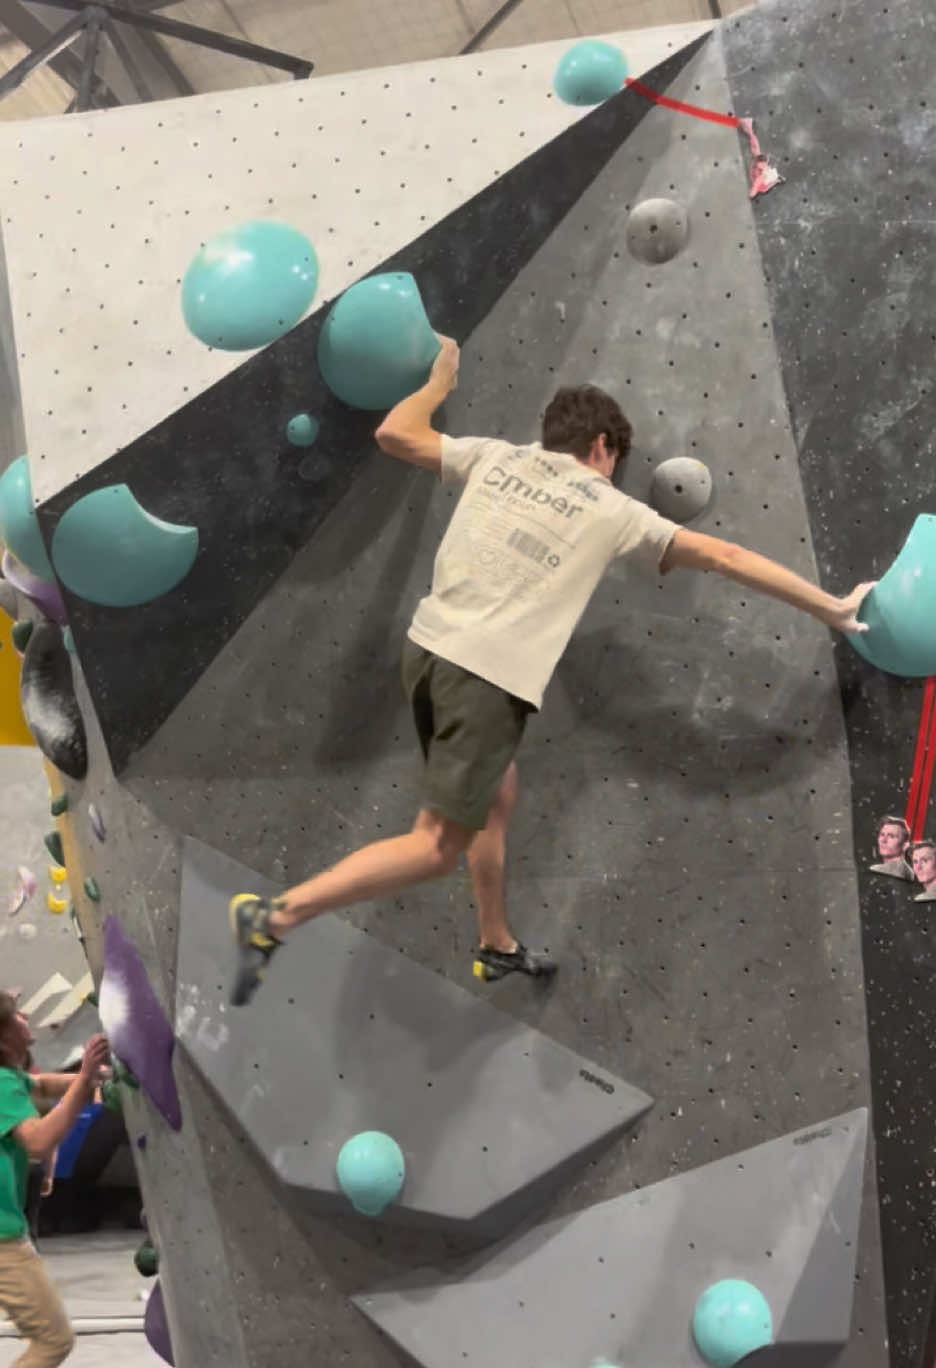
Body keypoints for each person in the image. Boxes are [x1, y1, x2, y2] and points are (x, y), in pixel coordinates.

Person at [228, 337, 874, 1006]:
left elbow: (395, 432)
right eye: (616, 460)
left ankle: (495, 942)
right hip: (482, 679)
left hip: (429, 655)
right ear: (602, 447)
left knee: (495, 794)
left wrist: (440, 383)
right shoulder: (611, 507)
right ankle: (274, 917)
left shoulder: (494, 457)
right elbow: (729, 556)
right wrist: (830, 607)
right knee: (435, 847)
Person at [0, 991, 110, 1367]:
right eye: (16, 1015)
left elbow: (43, 1085)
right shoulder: (1, 1084)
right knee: (53, 1340)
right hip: (1, 1238)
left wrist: (92, 1077)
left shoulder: (9, 1079)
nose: (26, 1016)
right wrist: (83, 1084)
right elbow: (38, 1141)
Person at [870, 815, 913, 880]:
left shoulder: (876, 870)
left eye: (891, 836)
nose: (883, 840)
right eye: (882, 835)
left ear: (905, 845)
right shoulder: (908, 871)